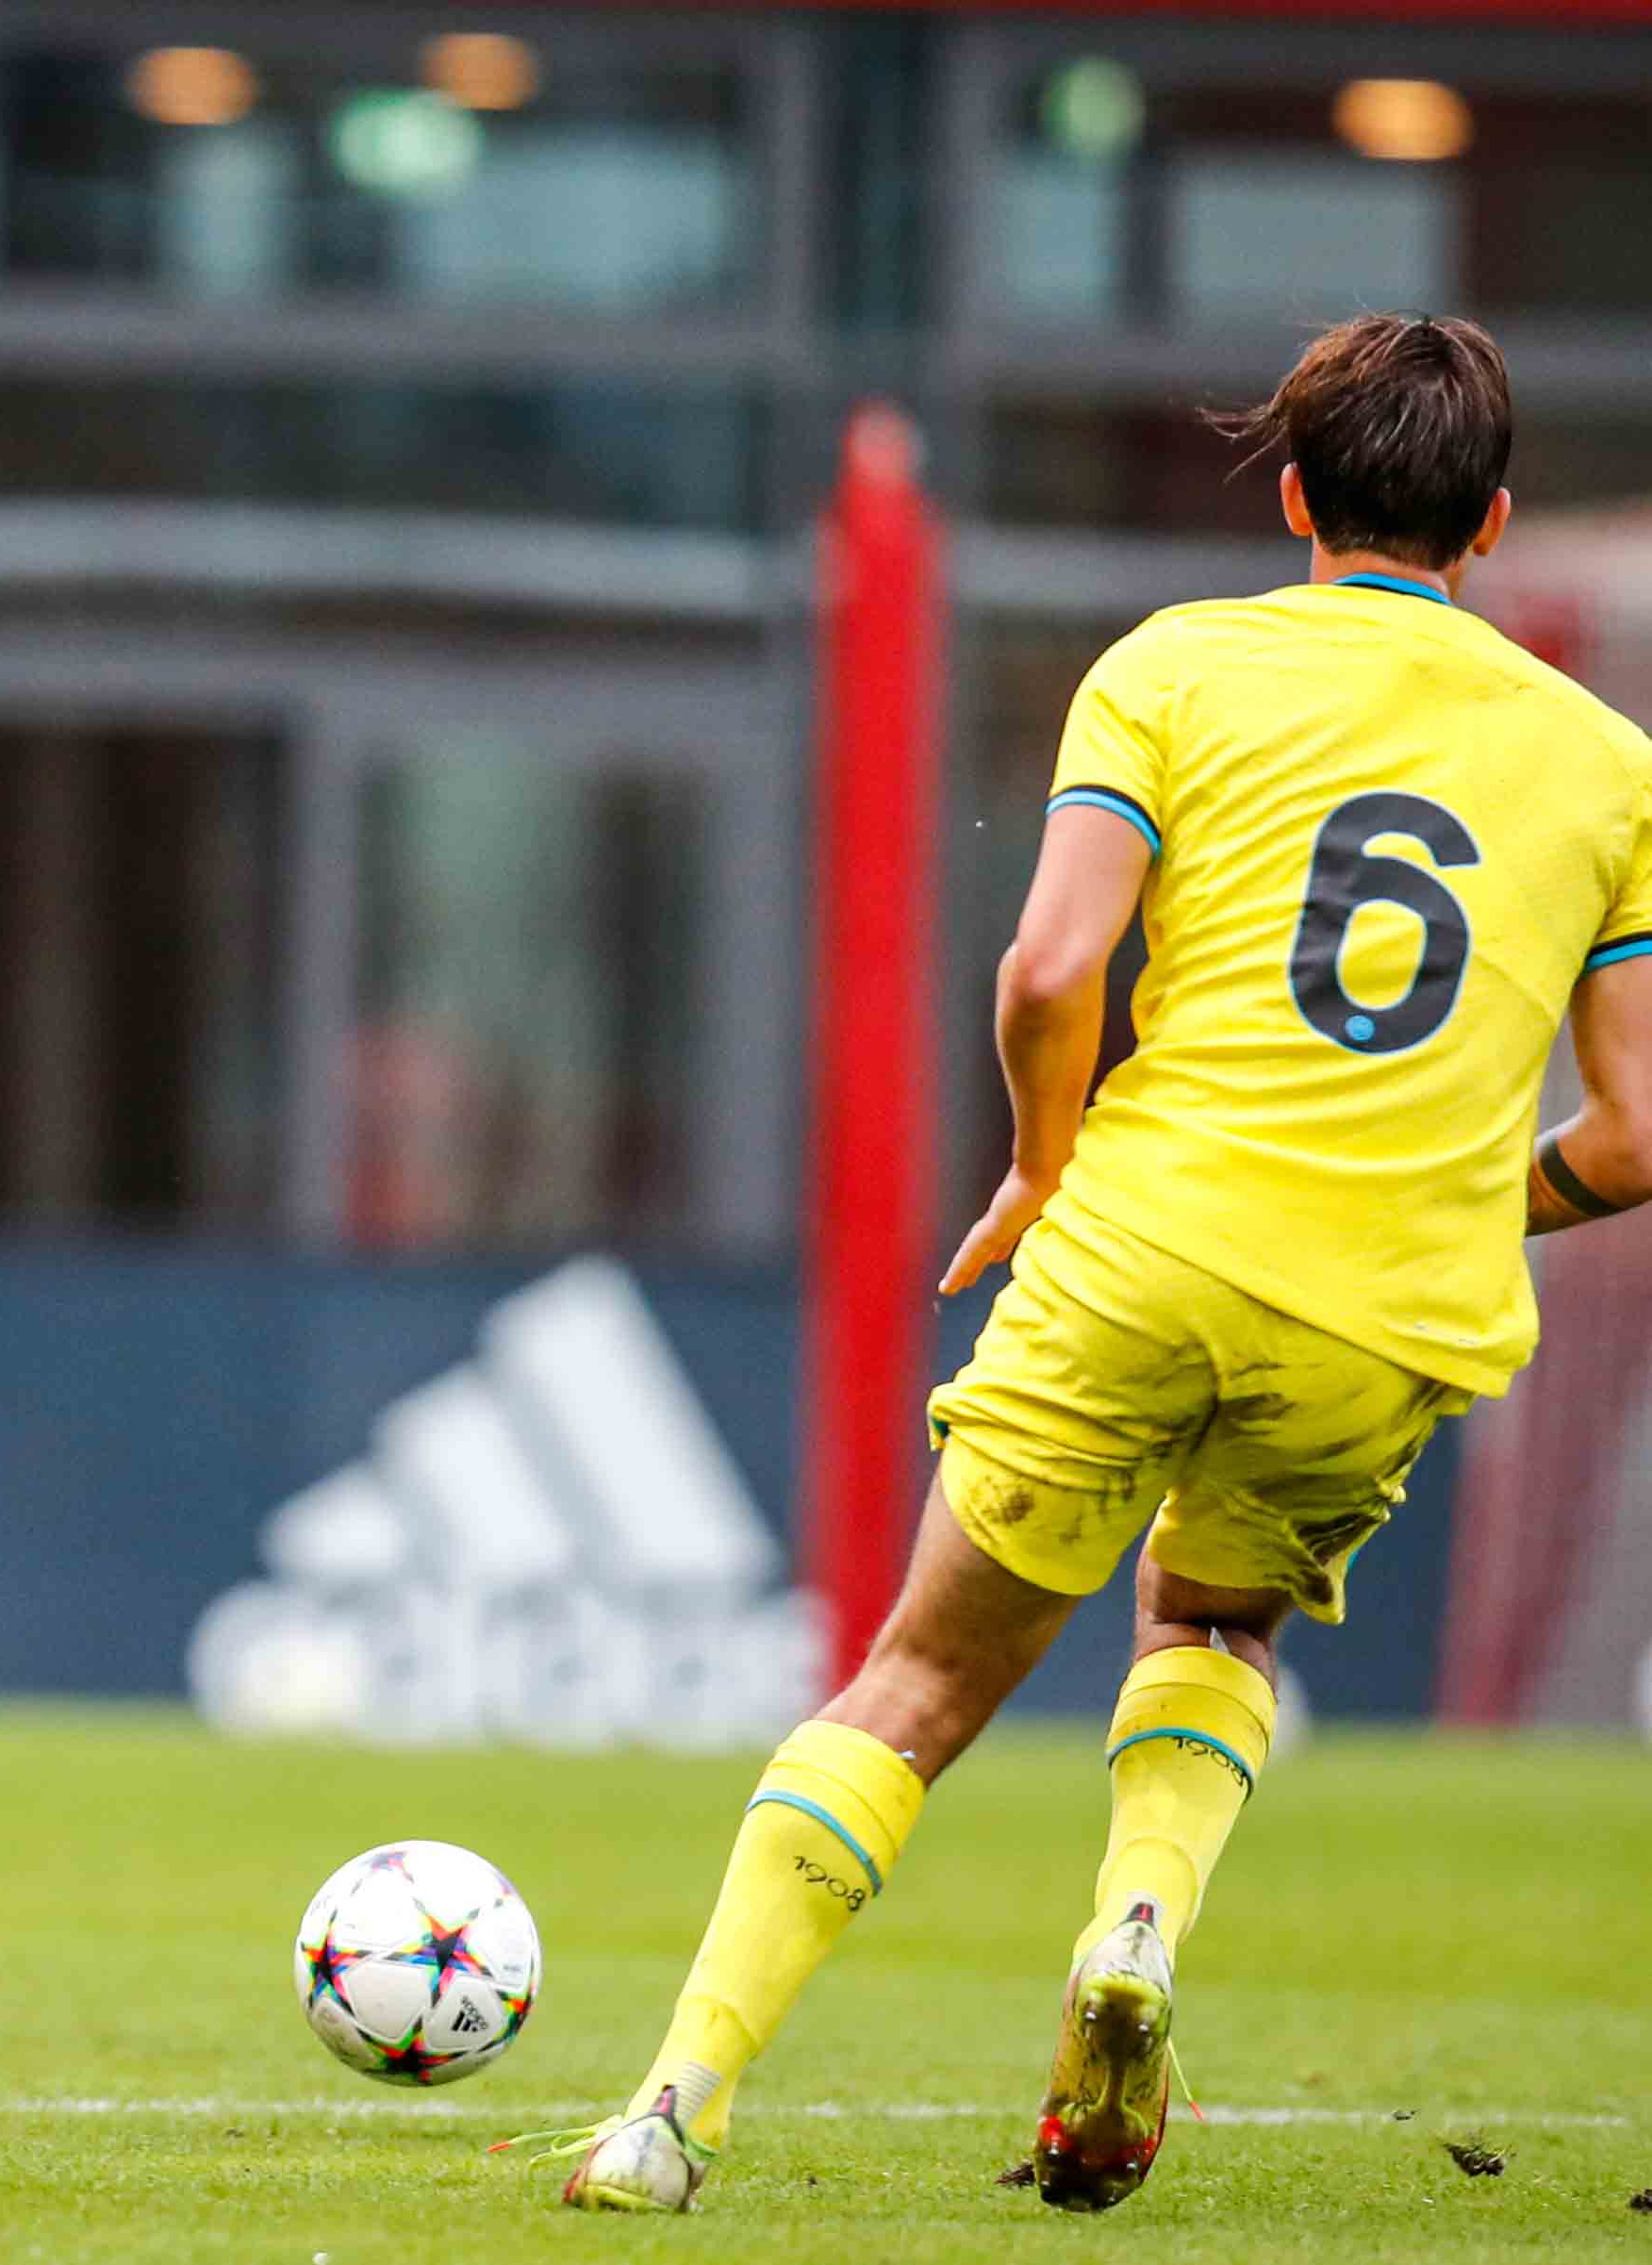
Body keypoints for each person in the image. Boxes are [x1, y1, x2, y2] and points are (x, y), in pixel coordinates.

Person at [543, 312, 1652, 2213]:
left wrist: (1041, 1165)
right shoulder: (1608, 765)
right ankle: (1133, 1926)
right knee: (1211, 1630)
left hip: (1140, 1243)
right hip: (1382, 1316)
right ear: (1485, 530)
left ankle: (669, 2104)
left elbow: (1050, 967)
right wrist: (1471, 1204)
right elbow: (1635, 1131)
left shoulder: (1171, 668)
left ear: (1293, 494)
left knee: (910, 1681)